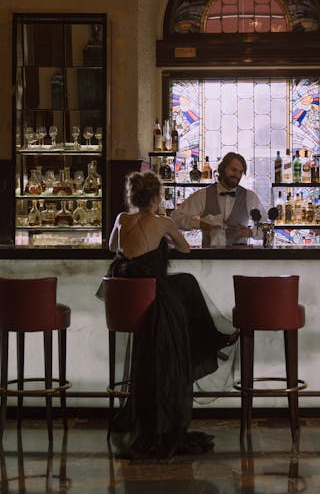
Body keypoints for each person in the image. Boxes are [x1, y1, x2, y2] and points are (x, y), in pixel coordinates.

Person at [104, 171, 237, 459]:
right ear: (155, 197)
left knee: (182, 286)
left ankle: (212, 338)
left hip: (125, 302)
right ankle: (213, 339)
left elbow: (112, 247)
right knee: (186, 283)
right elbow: (186, 248)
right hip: (151, 303)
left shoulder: (120, 219)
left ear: (131, 197)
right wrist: (162, 237)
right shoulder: (162, 221)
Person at [170, 152, 266, 247]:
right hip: (210, 258)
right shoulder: (203, 195)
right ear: (223, 169)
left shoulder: (250, 197)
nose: (237, 175)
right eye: (233, 170)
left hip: (239, 259)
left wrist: (251, 232)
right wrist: (199, 224)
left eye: (240, 172)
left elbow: (266, 225)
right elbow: (175, 218)